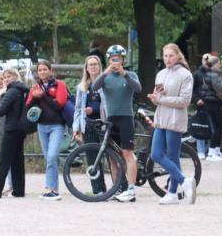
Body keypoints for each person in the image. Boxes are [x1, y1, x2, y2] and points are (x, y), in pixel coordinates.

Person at [91, 45, 142, 203]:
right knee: (112, 157)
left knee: (127, 153)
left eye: (118, 58)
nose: (115, 61)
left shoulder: (130, 74)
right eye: (113, 59)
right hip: (111, 119)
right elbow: (94, 87)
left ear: (123, 59)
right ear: (109, 60)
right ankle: (118, 188)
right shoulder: (105, 77)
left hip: (126, 117)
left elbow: (138, 88)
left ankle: (131, 190)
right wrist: (105, 72)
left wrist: (125, 74)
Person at [147, 44, 196, 205]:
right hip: (161, 118)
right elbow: (159, 97)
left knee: (173, 156)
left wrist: (161, 100)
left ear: (177, 56)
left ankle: (173, 192)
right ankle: (184, 181)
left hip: (175, 120)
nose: (168, 59)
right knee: (156, 154)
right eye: (165, 56)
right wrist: (156, 98)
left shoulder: (185, 75)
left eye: (171, 56)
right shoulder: (160, 74)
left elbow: (185, 101)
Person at [27, 60, 69, 201]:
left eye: (45, 69)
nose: (42, 72)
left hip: (56, 126)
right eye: (40, 70)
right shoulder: (36, 86)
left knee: (52, 157)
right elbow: (28, 107)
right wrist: (35, 97)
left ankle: (52, 190)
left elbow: (59, 104)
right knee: (48, 159)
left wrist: (43, 95)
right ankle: (53, 190)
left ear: (50, 71)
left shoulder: (60, 85)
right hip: (42, 126)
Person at [0, 69, 26, 199]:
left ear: (15, 77)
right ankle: (18, 190)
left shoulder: (12, 91)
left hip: (11, 129)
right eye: (5, 77)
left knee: (5, 160)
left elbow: (1, 111)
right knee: (17, 161)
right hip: (20, 129)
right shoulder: (22, 90)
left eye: (9, 77)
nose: (6, 79)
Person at [72, 55, 106, 195]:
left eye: (95, 64)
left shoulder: (105, 83)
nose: (92, 66)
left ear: (99, 66)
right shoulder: (82, 87)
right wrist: (76, 128)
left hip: (104, 124)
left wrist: (94, 109)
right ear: (86, 68)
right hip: (88, 125)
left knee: (110, 157)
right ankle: (98, 190)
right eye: (90, 64)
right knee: (92, 158)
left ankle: (118, 188)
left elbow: (107, 104)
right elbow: (78, 109)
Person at [192, 54, 222, 161]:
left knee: (219, 127)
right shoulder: (207, 75)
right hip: (209, 103)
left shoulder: (215, 74)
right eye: (218, 63)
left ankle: (216, 151)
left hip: (215, 102)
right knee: (214, 127)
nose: (220, 65)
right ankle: (211, 152)